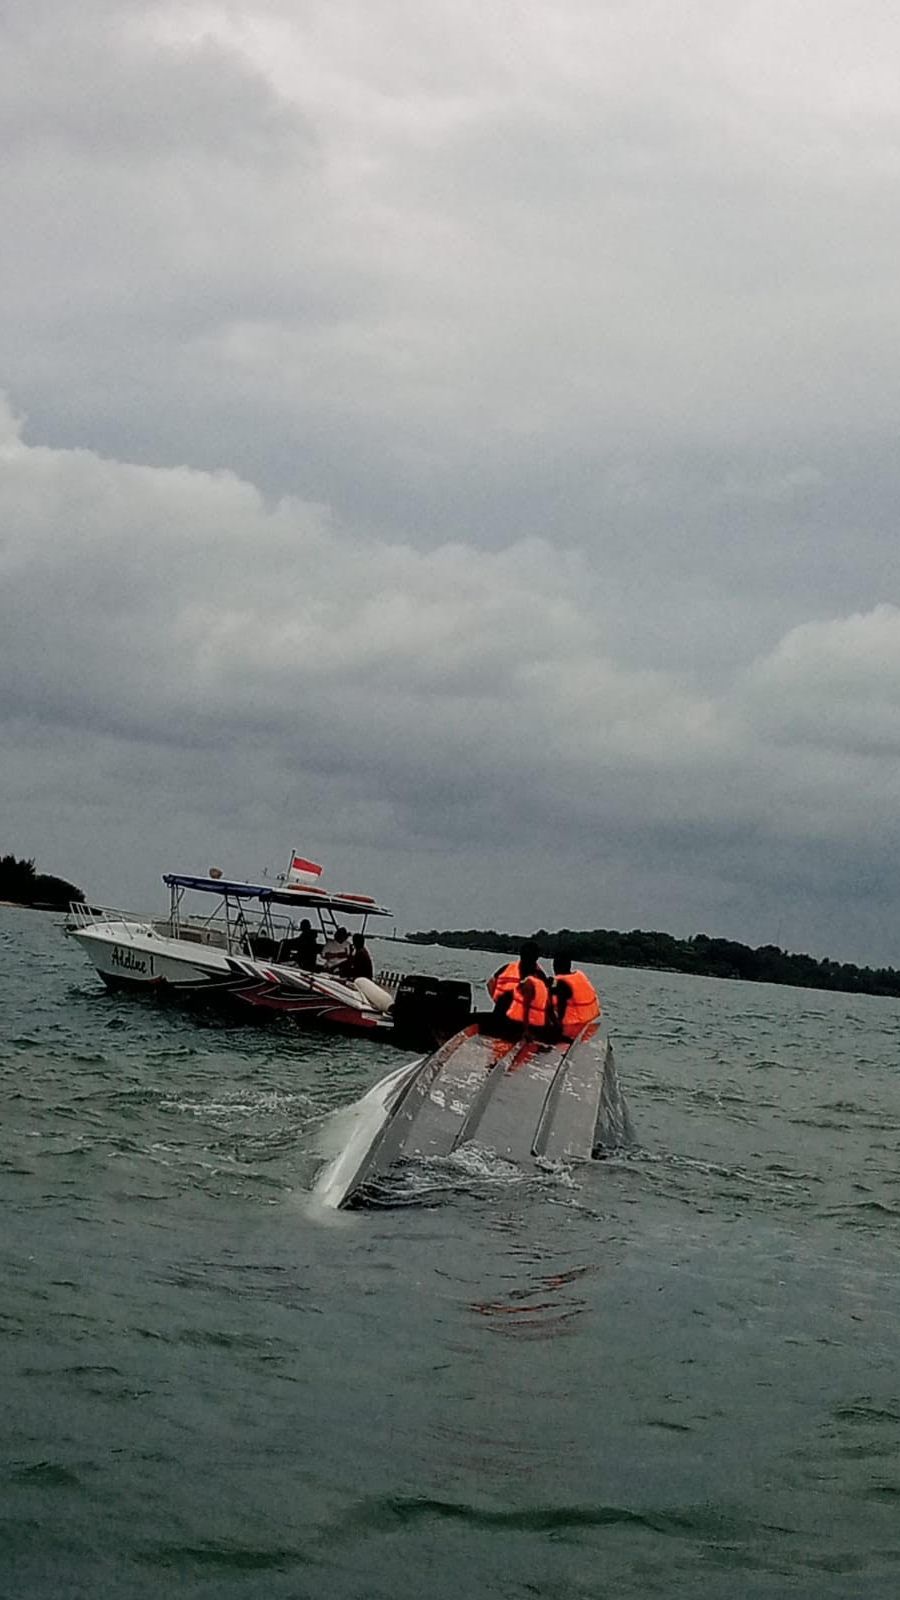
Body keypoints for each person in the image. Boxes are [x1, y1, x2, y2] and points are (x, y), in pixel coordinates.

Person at [488, 941, 550, 1033]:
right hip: (505, 1016)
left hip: (523, 1022)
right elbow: (490, 983)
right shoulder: (539, 975)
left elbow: (490, 982)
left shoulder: (539, 976)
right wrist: (497, 1000)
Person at [550, 954, 601, 1039]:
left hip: (573, 1030)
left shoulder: (562, 983)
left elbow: (562, 1007)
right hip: (590, 1024)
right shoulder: (579, 977)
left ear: (555, 966)